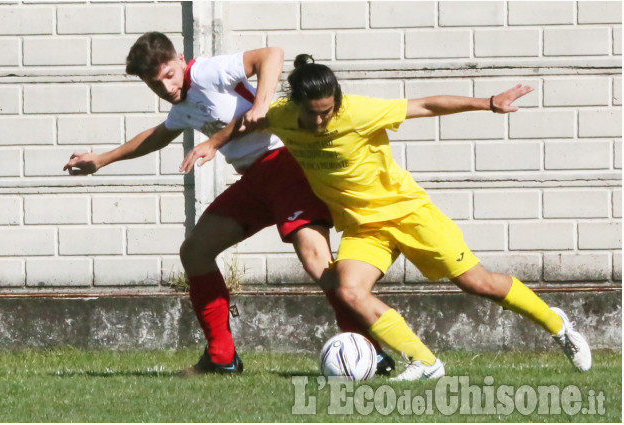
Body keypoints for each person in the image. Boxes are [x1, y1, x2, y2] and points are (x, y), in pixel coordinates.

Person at [183, 54, 592, 381]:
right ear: (299, 107)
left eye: (328, 112)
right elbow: (250, 120)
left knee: (477, 283)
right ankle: (425, 362)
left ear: (338, 102)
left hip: (409, 213)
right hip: (363, 226)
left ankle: (558, 326)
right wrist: (214, 144)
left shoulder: (359, 111)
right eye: (314, 115)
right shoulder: (285, 112)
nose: (321, 120)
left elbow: (427, 104)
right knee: (348, 290)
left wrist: (486, 103)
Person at [63, 34, 396, 375]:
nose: (165, 87)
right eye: (154, 83)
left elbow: (271, 54)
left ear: (180, 59)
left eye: (169, 75)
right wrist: (101, 160)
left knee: (316, 262)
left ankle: (371, 349)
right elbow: (160, 134)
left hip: (287, 167)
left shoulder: (208, 71)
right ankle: (221, 357)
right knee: (195, 252)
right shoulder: (182, 105)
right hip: (254, 182)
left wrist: (261, 103)